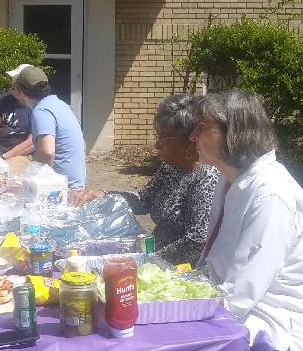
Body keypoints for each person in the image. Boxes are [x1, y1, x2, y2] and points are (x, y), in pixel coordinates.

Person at [152, 91, 303, 351]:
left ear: (234, 133)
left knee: (161, 348)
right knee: (152, 330)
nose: (193, 136)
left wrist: (181, 315)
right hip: (238, 312)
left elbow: (240, 295)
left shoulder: (272, 196)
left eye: (202, 128)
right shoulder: (232, 179)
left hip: (275, 332)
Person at [74, 95, 219, 266]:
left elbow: (197, 241)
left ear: (190, 142)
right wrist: (105, 195)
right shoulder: (170, 167)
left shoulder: (207, 177)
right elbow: (143, 201)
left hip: (181, 271)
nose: (156, 145)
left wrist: (146, 262)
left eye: (163, 139)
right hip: (156, 259)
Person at [13, 66, 86, 188]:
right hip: (75, 183)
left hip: (64, 189)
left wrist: (37, 183)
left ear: (21, 92)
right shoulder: (58, 103)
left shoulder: (41, 111)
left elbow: (47, 152)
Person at [0, 64, 34, 159]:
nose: (12, 85)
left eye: (16, 84)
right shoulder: (4, 99)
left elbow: (31, 144)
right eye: (12, 85)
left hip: (23, 156)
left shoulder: (34, 105)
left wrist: (4, 158)